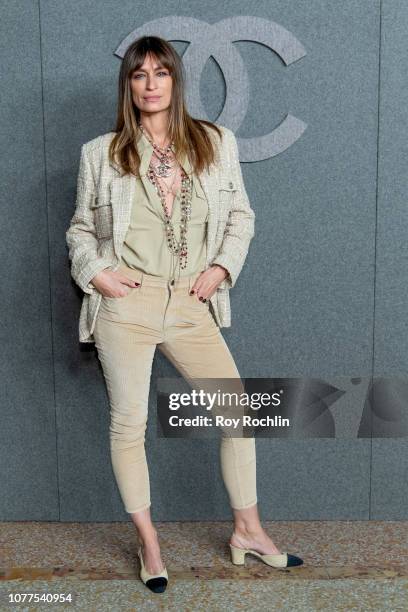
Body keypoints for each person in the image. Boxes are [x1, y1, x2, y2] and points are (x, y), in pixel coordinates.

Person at [66, 35, 303, 594]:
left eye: (161, 73)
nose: (151, 84)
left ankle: (247, 530)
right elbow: (80, 229)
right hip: (126, 304)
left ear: (176, 80)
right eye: (139, 74)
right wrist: (97, 272)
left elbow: (240, 217)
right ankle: (149, 543)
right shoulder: (101, 153)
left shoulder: (215, 142)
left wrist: (220, 268)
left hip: (191, 303)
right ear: (128, 85)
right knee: (129, 426)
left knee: (239, 415)